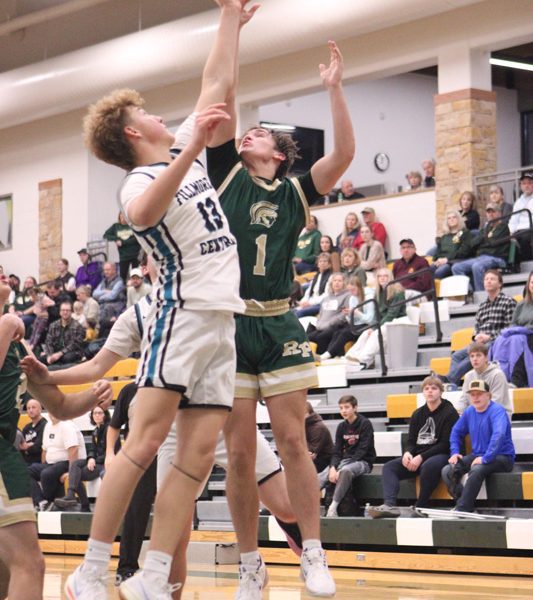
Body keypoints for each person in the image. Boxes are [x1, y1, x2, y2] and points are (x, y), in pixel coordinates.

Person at [62, 3, 254, 598]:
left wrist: (228, 20)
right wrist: (192, 146)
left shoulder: (179, 157)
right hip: (182, 314)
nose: (161, 115)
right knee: (143, 445)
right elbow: (141, 217)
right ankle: (91, 568)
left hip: (222, 320)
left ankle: (152, 573)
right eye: (146, 111)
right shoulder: (140, 180)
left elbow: (217, 82)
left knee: (194, 462)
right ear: (131, 132)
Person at [24, 254, 302, 598]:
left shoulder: (207, 290)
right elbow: (96, 365)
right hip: (175, 426)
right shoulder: (138, 315)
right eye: (159, 257)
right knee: (175, 538)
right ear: (147, 268)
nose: (169, 260)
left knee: (287, 505)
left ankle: (264, 562)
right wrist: (49, 374)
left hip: (223, 414)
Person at [206, 37, 354, 598]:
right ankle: (250, 564)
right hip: (231, 324)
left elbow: (341, 158)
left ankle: (313, 554)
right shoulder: (227, 174)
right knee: (241, 454)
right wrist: (233, 27)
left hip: (279, 322)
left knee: (293, 441)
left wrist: (335, 90)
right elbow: (227, 93)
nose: (248, 134)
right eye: (247, 132)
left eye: (260, 133)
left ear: (277, 152)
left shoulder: (294, 191)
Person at [0, 269, 111, 600]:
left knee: (6, 573)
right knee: (30, 565)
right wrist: (6, 326)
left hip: (6, 452)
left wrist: (93, 394)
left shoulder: (16, 348)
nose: (4, 274)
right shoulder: (7, 330)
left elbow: (60, 407)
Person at [369, 376, 458, 518]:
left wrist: (421, 457)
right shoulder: (417, 414)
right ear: (423, 392)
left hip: (441, 455)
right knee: (389, 467)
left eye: (434, 388)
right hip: (419, 455)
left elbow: (445, 444)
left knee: (428, 466)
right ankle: (390, 505)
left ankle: (421, 506)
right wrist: (408, 453)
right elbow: (411, 441)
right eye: (426, 388)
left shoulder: (450, 412)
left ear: (441, 392)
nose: (430, 391)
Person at [441, 379, 515, 513]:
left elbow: (498, 435)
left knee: (476, 469)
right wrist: (455, 452)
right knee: (448, 470)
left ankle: (463, 508)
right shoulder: (470, 411)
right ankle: (462, 503)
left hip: (502, 457)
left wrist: (486, 458)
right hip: (478, 455)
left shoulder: (497, 411)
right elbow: (456, 432)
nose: (475, 397)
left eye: (479, 394)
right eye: (472, 394)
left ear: (488, 395)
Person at [443, 269, 516, 386]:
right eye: (486, 279)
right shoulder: (482, 306)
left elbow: (510, 328)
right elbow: (477, 327)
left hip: (497, 341)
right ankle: (453, 383)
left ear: (500, 284)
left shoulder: (508, 302)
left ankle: (449, 380)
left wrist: (489, 337)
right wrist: (476, 337)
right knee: (456, 355)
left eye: (492, 279)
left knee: (475, 353)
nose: (488, 281)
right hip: (481, 342)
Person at [318, 395, 375, 517]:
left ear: (355, 408)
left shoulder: (365, 424)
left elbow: (363, 450)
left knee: (345, 471)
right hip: (344, 462)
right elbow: (337, 451)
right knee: (324, 475)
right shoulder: (341, 427)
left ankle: (333, 507)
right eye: (341, 408)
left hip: (363, 462)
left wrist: (341, 467)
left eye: (347, 407)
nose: (343, 411)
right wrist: (333, 467)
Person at [345, 268, 406, 369]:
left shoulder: (397, 291)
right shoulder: (378, 293)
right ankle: (351, 356)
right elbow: (378, 315)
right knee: (366, 333)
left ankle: (364, 359)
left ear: (390, 277)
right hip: (384, 322)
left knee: (377, 333)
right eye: (379, 276)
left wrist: (376, 327)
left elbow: (391, 314)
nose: (382, 278)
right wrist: (372, 327)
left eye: (385, 276)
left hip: (398, 321)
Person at [54, 407, 112, 512]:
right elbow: (92, 450)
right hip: (97, 461)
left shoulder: (109, 430)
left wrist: (94, 460)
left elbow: (111, 452)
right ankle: (71, 495)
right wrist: (90, 458)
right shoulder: (95, 431)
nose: (97, 415)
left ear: (105, 415)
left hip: (106, 464)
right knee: (75, 464)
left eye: (100, 413)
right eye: (95, 413)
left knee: (76, 473)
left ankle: (84, 505)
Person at [28, 414, 87, 511]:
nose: (52, 414)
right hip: (51, 463)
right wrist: (44, 465)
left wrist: (70, 472)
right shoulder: (48, 426)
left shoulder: (67, 426)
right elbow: (45, 450)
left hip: (67, 462)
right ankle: (41, 501)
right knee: (26, 471)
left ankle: (49, 502)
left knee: (46, 474)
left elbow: (73, 449)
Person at [451, 203, 511, 291]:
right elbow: (474, 242)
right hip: (482, 257)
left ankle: (481, 295)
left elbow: (492, 242)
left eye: (493, 211)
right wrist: (484, 239)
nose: (490, 214)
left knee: (477, 266)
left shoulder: (503, 227)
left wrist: (482, 240)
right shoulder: (486, 228)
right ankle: (470, 293)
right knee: (456, 267)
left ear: (499, 213)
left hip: (496, 257)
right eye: (488, 212)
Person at [489, 270, 533, 388]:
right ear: (528, 284)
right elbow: (513, 323)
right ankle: (500, 379)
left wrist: (522, 330)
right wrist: (516, 330)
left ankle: (517, 380)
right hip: (520, 333)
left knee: (517, 340)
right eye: (532, 282)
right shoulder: (522, 304)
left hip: (529, 335)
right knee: (500, 340)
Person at [318, 275, 375, 361]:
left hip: (368, 325)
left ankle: (328, 354)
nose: (351, 293)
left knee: (344, 333)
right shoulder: (352, 298)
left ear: (359, 287)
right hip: (356, 324)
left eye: (353, 290)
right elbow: (352, 320)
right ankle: (329, 353)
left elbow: (370, 319)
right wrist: (348, 315)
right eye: (349, 290)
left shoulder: (368, 298)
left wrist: (357, 313)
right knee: (337, 332)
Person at [459, 343, 512, 419]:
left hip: (498, 417)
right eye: (472, 356)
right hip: (476, 416)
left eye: (478, 355)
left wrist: (472, 415)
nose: (475, 359)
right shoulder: (468, 376)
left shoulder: (497, 375)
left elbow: (495, 403)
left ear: (486, 358)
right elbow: (464, 399)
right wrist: (457, 412)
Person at [307, 273, 351, 354]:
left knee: (321, 337)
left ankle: (322, 355)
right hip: (321, 326)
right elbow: (321, 314)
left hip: (336, 326)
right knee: (309, 337)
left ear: (344, 283)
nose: (337, 283)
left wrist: (330, 323)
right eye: (335, 280)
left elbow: (344, 314)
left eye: (339, 281)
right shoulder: (326, 298)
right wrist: (319, 324)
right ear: (331, 283)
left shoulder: (347, 296)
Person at [39, 301, 86, 366]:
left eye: (67, 310)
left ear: (71, 312)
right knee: (41, 360)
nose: (65, 312)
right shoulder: (53, 325)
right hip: (56, 352)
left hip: (72, 352)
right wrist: (49, 355)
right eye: (63, 310)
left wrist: (60, 353)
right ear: (60, 312)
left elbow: (75, 344)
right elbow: (48, 341)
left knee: (67, 358)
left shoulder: (78, 326)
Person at [431, 210, 472, 279]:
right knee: (428, 270)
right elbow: (438, 251)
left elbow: (463, 251)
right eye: (449, 218)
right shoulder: (445, 236)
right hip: (442, 261)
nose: (451, 219)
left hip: (453, 261)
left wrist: (447, 259)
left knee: (439, 272)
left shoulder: (464, 233)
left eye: (454, 217)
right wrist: (437, 260)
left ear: (458, 219)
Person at [103, 212, 142, 282]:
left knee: (136, 276)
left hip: (135, 255)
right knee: (122, 277)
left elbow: (137, 238)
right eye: (121, 217)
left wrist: (123, 242)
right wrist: (116, 239)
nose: (123, 219)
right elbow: (105, 235)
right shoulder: (116, 226)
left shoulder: (132, 225)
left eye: (124, 217)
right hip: (123, 256)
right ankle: (123, 292)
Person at [92, 262, 126, 338]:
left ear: (114, 270)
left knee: (105, 311)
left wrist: (100, 297)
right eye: (105, 270)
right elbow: (94, 294)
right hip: (104, 305)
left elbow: (112, 296)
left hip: (115, 306)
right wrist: (104, 291)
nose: (106, 272)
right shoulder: (103, 281)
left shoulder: (119, 281)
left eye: (108, 270)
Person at [294, 252, 332, 318]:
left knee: (298, 313)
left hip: (320, 304)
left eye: (325, 261)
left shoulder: (331, 276)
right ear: (318, 264)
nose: (322, 263)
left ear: (329, 264)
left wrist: (309, 303)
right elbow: (308, 292)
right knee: (291, 312)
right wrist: (303, 301)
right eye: (320, 261)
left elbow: (326, 295)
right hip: (310, 301)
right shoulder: (317, 276)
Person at [508, 172, 533, 261]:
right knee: (506, 239)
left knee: (524, 238)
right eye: (524, 183)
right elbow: (513, 219)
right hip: (519, 231)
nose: (527, 186)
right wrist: (510, 232)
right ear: (521, 186)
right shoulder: (518, 202)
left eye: (529, 183)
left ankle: (529, 262)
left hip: (530, 229)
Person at [305, 402, 333, 473]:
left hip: (323, 460)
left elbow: (312, 452)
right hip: (311, 458)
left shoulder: (318, 428)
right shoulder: (301, 425)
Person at [19, 399, 47, 465]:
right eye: (28, 408)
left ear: (40, 409)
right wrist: (30, 445)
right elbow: (20, 445)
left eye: (33, 407)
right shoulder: (27, 427)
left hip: (38, 462)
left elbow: (37, 447)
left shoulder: (45, 425)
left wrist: (26, 447)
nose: (30, 410)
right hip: (26, 461)